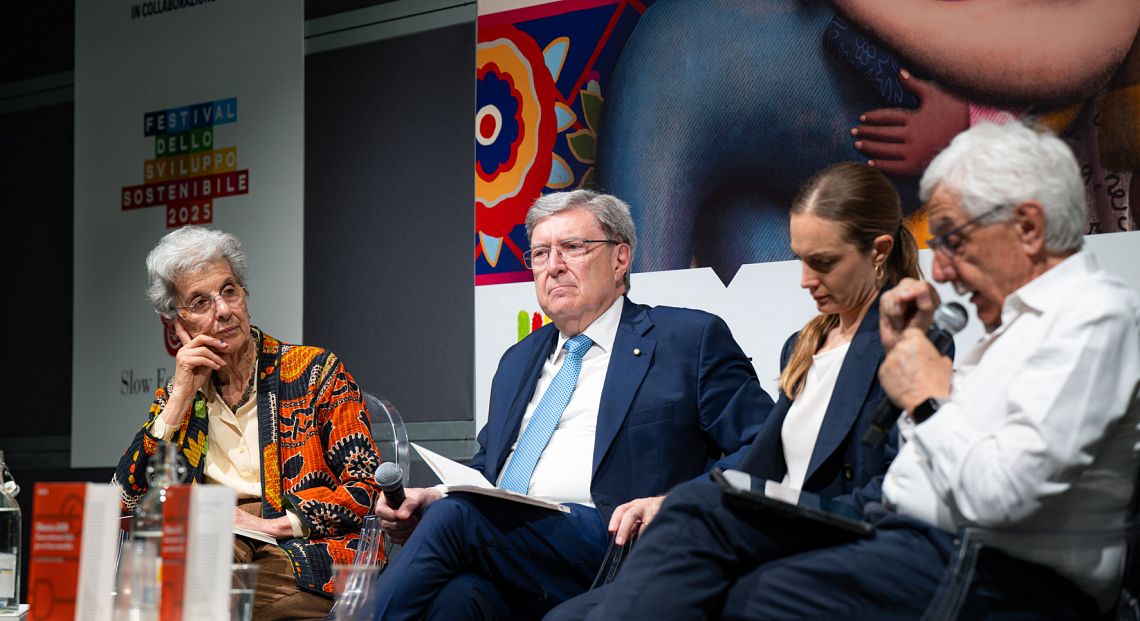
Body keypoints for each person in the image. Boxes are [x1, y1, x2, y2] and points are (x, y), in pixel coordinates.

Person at [551, 121, 1140, 620]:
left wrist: (929, 397)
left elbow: (999, 493)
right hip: (904, 535)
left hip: (973, 564)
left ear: (1029, 228)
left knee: (747, 586)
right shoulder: (1012, 330)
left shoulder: (1091, 317)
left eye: (953, 240)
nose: (944, 269)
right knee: (688, 517)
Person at [370, 189, 774, 620]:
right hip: (518, 555)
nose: (554, 266)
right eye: (540, 254)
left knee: (456, 518)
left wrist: (674, 502)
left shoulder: (687, 339)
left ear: (620, 259)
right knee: (456, 597)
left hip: (620, 542)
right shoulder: (518, 360)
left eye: (573, 247)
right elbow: (486, 474)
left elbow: (765, 450)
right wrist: (432, 497)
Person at [547, 161, 924, 619]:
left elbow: (895, 488)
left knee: (690, 514)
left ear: (879, 251)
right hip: (769, 531)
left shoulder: (911, 346)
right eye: (800, 259)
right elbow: (763, 463)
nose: (805, 280)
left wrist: (768, 513)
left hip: (831, 538)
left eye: (823, 262)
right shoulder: (801, 347)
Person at [112, 226, 382, 620]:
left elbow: (367, 487)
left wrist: (275, 525)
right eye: (200, 302)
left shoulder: (315, 372)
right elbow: (125, 501)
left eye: (229, 291)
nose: (222, 310)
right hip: (213, 544)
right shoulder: (177, 398)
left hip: (305, 549)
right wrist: (179, 399)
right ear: (175, 325)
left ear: (244, 294)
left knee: (226, 605)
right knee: (178, 592)